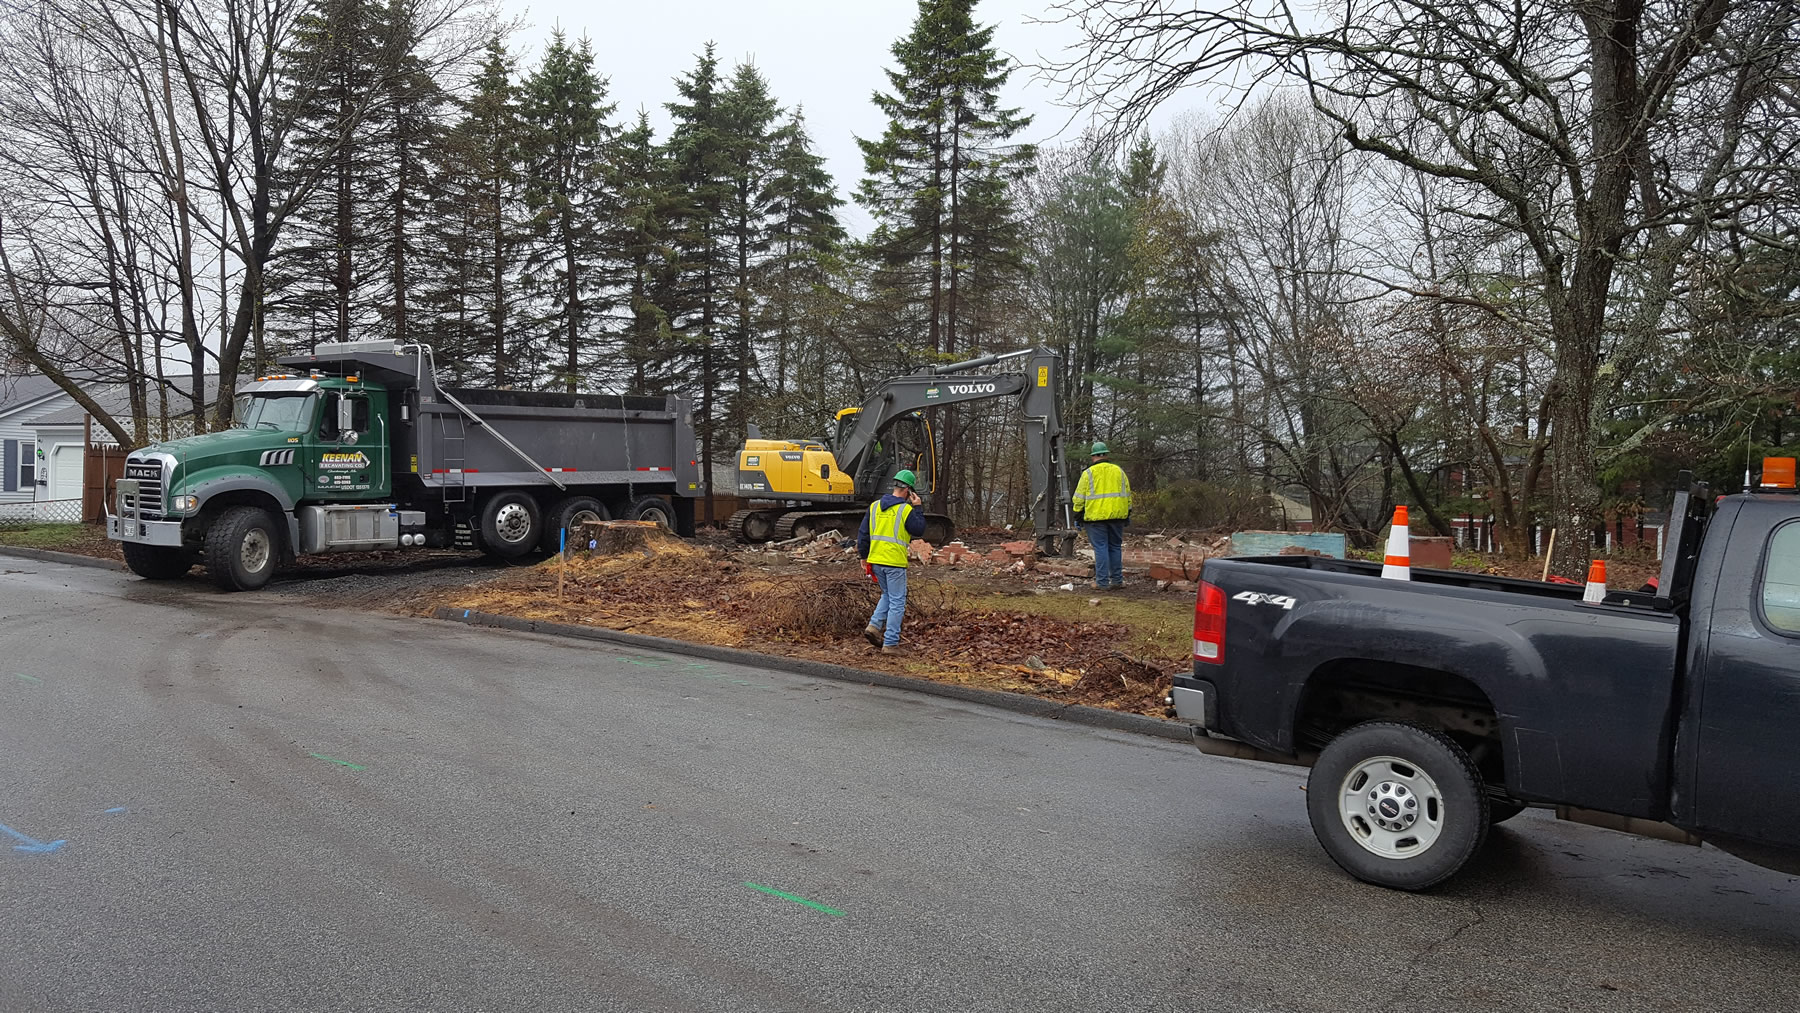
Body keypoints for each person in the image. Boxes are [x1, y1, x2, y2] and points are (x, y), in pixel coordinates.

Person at [858, 469, 927, 653]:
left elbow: (863, 534)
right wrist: (918, 507)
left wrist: (863, 557)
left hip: (876, 560)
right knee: (897, 601)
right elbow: (919, 529)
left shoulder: (874, 506)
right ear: (908, 491)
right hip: (894, 562)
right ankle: (890, 643)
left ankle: (873, 626)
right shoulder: (905, 509)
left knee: (888, 595)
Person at [1073, 441, 1132, 590]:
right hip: (1117, 517)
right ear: (1106, 454)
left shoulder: (1088, 474)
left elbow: (1079, 498)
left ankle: (1102, 582)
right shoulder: (1119, 471)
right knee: (1115, 547)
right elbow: (1128, 495)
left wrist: (1077, 515)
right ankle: (1117, 581)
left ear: (1093, 457)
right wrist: (1127, 513)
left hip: (1095, 519)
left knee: (1101, 548)